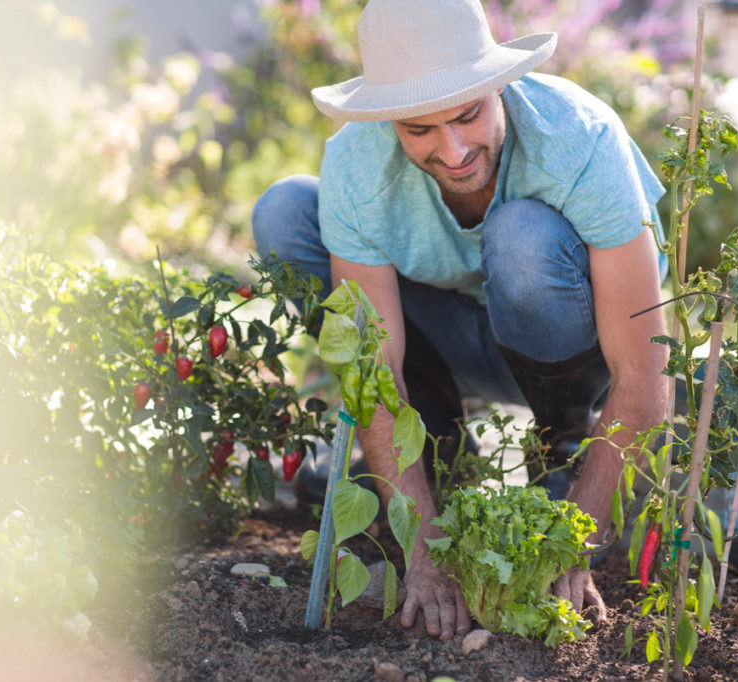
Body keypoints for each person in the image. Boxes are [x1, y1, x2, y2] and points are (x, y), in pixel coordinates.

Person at [253, 0, 668, 641]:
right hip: (451, 342)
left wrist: (573, 539)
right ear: (388, 117)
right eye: (418, 129)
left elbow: (644, 371)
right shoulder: (357, 163)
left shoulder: (581, 139)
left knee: (521, 235)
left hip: (567, 340)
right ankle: (443, 456)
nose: (452, 151)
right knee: (284, 212)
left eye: (468, 114)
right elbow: (373, 373)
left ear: (496, 84)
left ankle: (562, 446)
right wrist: (422, 549)